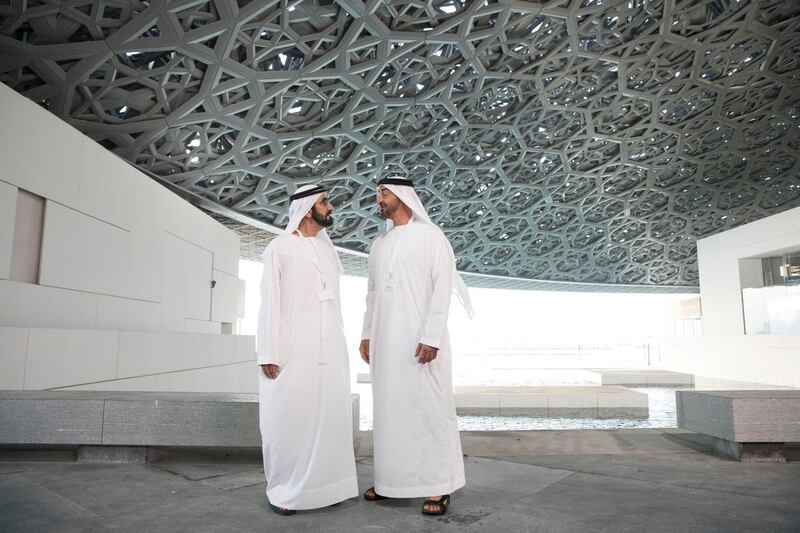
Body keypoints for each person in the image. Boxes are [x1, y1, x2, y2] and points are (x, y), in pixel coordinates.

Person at [359, 176, 474, 516]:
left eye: (383, 193)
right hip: (386, 341)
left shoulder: (431, 236)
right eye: (378, 193)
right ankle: (391, 483)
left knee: (429, 411)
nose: (378, 199)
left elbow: (443, 287)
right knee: (390, 412)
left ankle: (438, 486)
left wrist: (432, 336)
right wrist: (367, 334)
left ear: (402, 196)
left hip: (420, 342)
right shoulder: (379, 244)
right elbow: (372, 294)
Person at [257, 184, 358, 515]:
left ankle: (329, 486)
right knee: (290, 418)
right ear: (305, 209)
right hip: (292, 349)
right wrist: (268, 352)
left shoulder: (328, 251)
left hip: (330, 349)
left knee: (329, 415)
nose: (330, 207)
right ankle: (286, 491)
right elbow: (269, 303)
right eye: (324, 202)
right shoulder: (280, 248)